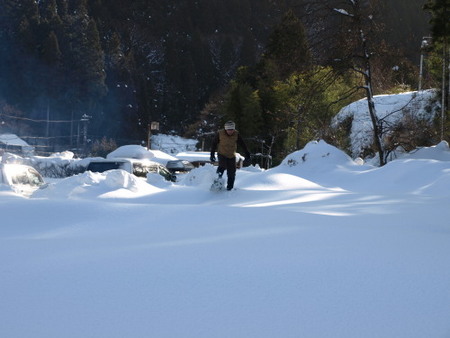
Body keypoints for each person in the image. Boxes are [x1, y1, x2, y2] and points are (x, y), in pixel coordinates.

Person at [210, 120, 251, 190]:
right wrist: (212, 155)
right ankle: (217, 183)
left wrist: (247, 154)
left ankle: (230, 188)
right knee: (222, 166)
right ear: (226, 129)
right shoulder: (220, 133)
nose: (230, 131)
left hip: (231, 155)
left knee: (232, 172)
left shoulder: (236, 134)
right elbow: (214, 144)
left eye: (232, 130)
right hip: (222, 154)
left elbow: (242, 144)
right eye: (228, 130)